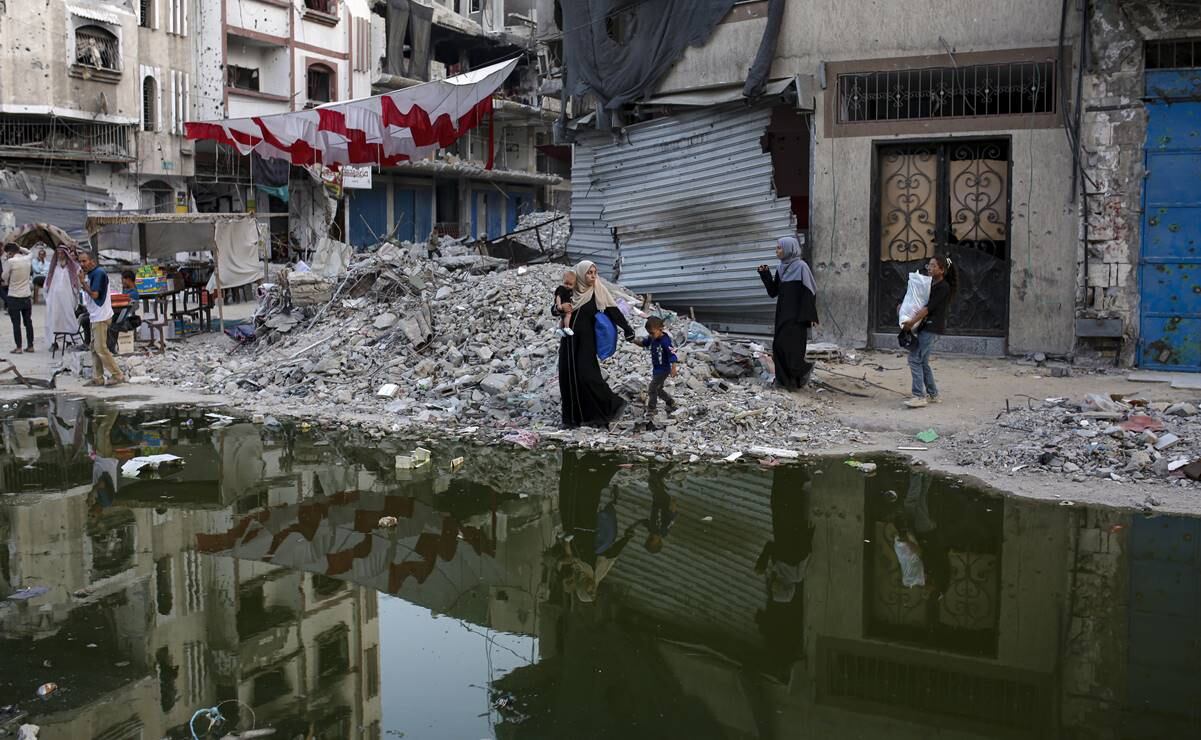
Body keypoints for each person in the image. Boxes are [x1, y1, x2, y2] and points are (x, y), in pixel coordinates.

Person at [554, 260, 635, 428]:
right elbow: (554, 309)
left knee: (588, 376)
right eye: (589, 273)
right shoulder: (571, 291)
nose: (592, 276)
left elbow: (613, 311)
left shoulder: (598, 291)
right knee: (567, 377)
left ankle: (610, 407)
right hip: (568, 341)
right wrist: (560, 309)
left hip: (586, 341)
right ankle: (572, 419)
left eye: (594, 272)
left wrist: (627, 329)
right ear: (581, 274)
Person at [758, 236, 818, 390]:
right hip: (782, 314)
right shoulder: (781, 268)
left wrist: (810, 316)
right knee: (779, 346)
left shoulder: (802, 267)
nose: (776, 251)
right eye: (777, 248)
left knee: (793, 350)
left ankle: (804, 371)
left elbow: (809, 292)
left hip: (797, 317)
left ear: (789, 249)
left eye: (779, 248)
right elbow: (773, 292)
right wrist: (765, 275)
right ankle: (784, 382)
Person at [901, 255, 957, 408]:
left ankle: (919, 396)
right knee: (923, 362)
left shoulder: (943, 287)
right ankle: (933, 394)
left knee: (914, 359)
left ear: (942, 270)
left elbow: (927, 308)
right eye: (929, 265)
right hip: (926, 326)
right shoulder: (931, 284)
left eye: (933, 266)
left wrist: (911, 322)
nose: (930, 269)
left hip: (931, 327)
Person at [78, 252, 124, 386]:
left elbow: (95, 294)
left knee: (100, 348)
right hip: (95, 315)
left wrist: (82, 283)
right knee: (94, 347)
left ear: (91, 261)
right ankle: (97, 377)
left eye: (84, 261)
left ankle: (117, 374)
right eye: (80, 262)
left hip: (101, 316)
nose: (82, 265)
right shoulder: (92, 274)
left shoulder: (98, 274)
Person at [640, 316, 678, 423]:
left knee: (652, 388)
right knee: (658, 389)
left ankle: (652, 409)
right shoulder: (653, 338)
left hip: (664, 369)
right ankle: (670, 402)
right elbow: (644, 343)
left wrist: (673, 368)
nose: (651, 336)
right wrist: (633, 340)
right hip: (656, 369)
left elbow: (672, 354)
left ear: (660, 329)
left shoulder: (665, 341)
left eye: (652, 333)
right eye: (649, 333)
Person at [44, 247, 83, 352]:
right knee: (54, 319)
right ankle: (54, 342)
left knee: (68, 318)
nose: (60, 255)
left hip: (68, 298)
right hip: (54, 299)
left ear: (66, 254)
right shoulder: (54, 268)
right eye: (58, 253)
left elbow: (78, 284)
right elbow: (47, 283)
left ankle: (69, 341)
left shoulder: (73, 268)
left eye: (62, 253)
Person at [2, 243, 34, 354]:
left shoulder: (10, 262)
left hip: (14, 296)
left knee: (16, 324)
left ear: (10, 253)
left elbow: (4, 277)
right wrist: (20, 247)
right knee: (28, 322)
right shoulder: (27, 259)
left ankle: (19, 347)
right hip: (26, 295)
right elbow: (30, 252)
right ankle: (30, 346)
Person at [553, 270, 576, 337]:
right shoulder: (561, 288)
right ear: (562, 281)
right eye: (566, 283)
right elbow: (558, 297)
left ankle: (559, 329)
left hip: (564, 305)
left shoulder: (571, 291)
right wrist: (559, 304)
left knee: (563, 317)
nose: (567, 286)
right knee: (568, 314)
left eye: (570, 284)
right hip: (561, 305)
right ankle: (566, 327)